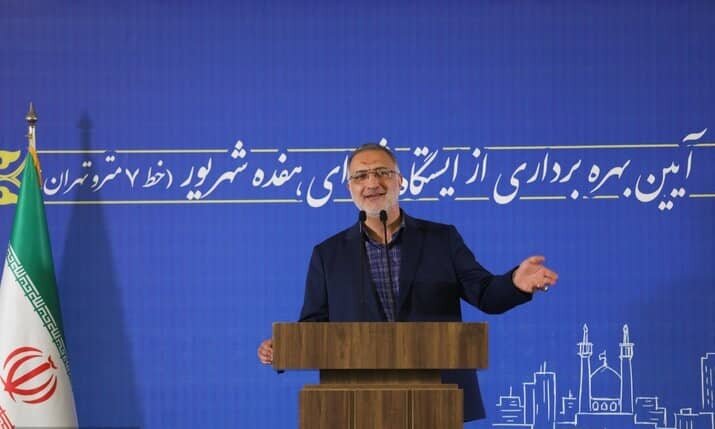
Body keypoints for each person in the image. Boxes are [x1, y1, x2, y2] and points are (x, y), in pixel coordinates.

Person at [257, 143, 558, 422]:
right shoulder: (328, 254)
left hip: (435, 400)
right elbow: (314, 326)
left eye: (382, 172)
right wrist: (283, 348)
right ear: (350, 188)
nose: (372, 182)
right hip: (356, 403)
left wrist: (515, 283)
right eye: (360, 176)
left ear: (400, 181)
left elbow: (486, 294)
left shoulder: (442, 239)